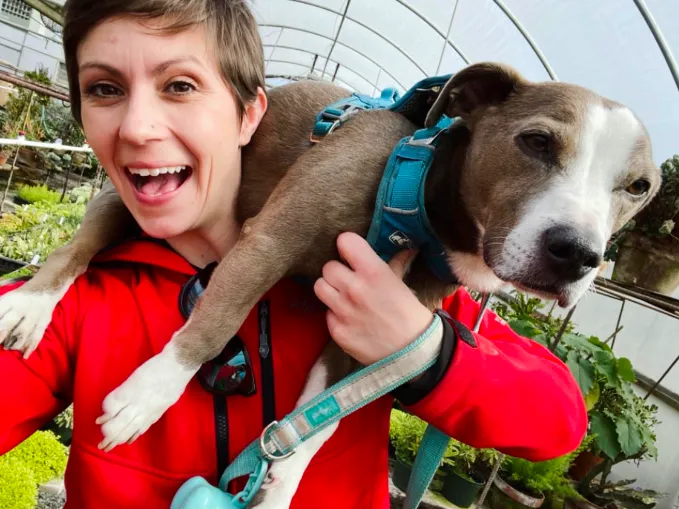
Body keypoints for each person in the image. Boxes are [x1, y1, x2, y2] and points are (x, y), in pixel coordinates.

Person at [0, 1, 587, 508]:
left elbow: (557, 420)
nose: (139, 127)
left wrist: (425, 353)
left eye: (180, 86)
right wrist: (46, 285)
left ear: (252, 113)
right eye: (105, 89)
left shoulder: (383, 276)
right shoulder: (85, 299)